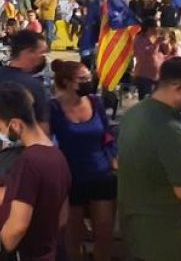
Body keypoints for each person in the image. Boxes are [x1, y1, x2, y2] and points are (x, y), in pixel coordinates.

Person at [0, 83, 71, 261]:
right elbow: (63, 216)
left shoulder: (28, 162)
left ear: (15, 125)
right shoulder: (57, 155)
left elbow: (18, 225)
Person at [117, 56, 181, 261]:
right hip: (170, 238)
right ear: (178, 87)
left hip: (139, 230)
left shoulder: (135, 114)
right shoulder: (168, 130)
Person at [49, 60, 115, 261]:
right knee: (72, 238)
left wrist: (114, 158)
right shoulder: (53, 108)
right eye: (83, 79)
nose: (89, 82)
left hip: (101, 174)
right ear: (67, 82)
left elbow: (107, 135)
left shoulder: (95, 102)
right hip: (71, 180)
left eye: (89, 77)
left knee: (104, 234)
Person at [0, 29, 50, 129]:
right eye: (41, 53)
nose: (44, 57)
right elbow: (43, 127)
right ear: (28, 52)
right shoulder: (35, 86)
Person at [132, 19, 171, 99]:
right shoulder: (139, 39)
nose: (159, 29)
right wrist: (156, 43)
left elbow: (167, 52)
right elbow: (144, 55)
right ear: (150, 28)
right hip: (144, 75)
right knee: (145, 100)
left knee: (159, 100)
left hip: (158, 74)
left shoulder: (157, 37)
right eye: (157, 27)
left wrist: (166, 42)